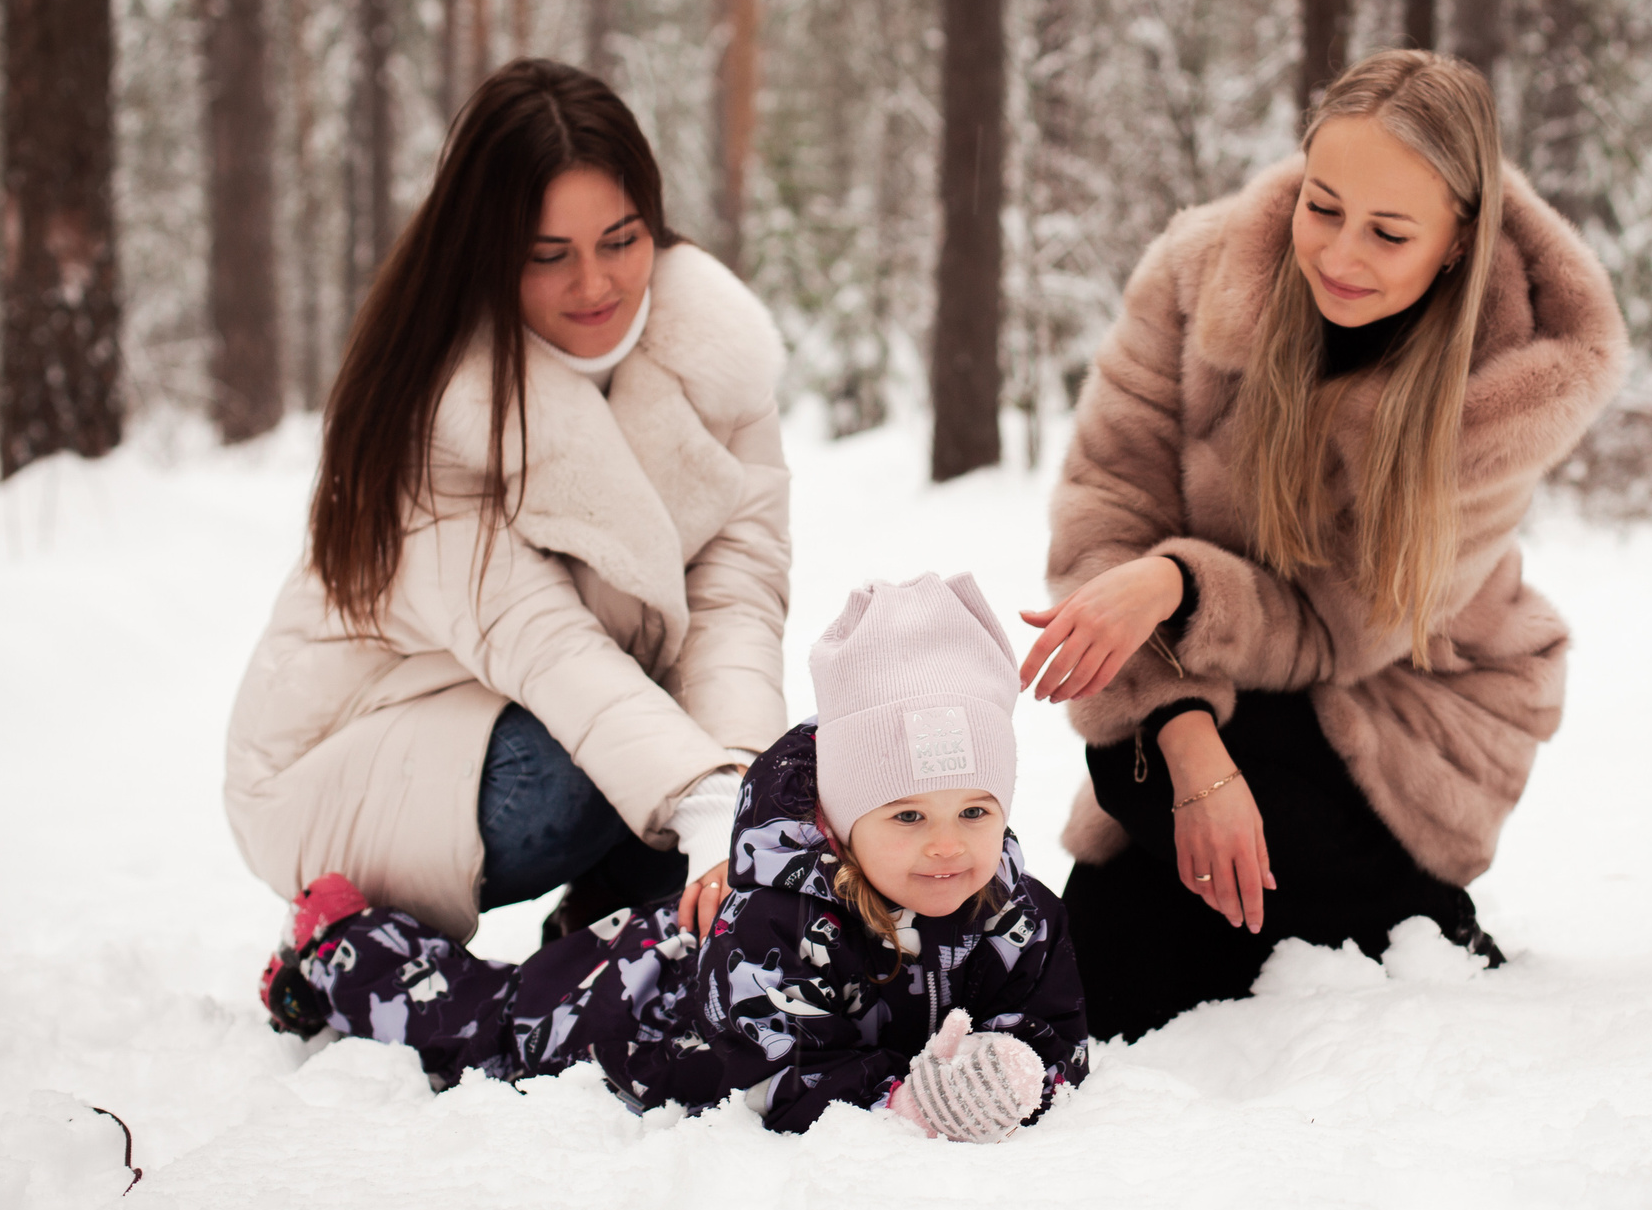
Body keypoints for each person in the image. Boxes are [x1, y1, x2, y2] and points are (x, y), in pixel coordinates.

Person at [1019, 49, 1628, 1041]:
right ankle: (1282, 924)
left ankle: (1413, 920)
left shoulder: (1514, 377)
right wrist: (1186, 737)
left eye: (1390, 233)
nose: (1342, 255)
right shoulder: (1193, 272)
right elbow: (1104, 505)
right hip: (1203, 698)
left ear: (1455, 242)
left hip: (1406, 716)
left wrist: (1170, 584)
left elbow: (1331, 631)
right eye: (1322, 206)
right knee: (1114, 896)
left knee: (1170, 804)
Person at [225, 59, 789, 976]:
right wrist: (697, 797)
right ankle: (343, 935)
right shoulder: (433, 399)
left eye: (621, 238)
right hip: (346, 756)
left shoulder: (718, 365)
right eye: (547, 254)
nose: (596, 284)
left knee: (766, 760)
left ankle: (614, 926)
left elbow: (736, 600)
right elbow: (540, 640)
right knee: (581, 770)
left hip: (548, 710)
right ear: (488, 250)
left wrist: (743, 798)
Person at [258, 573, 1089, 1142]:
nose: (948, 845)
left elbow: (1056, 1030)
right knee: (481, 1023)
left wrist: (1016, 1067)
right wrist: (908, 1101)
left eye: (976, 810)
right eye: (907, 814)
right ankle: (342, 948)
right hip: (634, 1002)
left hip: (688, 969)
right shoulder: (783, 921)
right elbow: (779, 1071)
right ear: (839, 821)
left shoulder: (1018, 916)